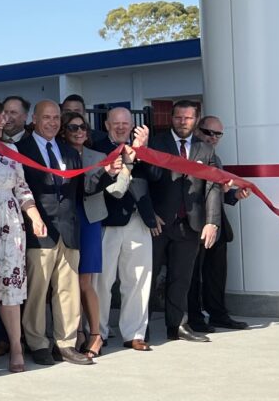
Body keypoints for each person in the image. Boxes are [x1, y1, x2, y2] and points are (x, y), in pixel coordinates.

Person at [16, 100, 93, 365]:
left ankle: (66, 344)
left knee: (68, 290)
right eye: (46, 117)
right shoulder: (21, 150)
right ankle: (37, 343)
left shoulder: (68, 151)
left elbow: (81, 189)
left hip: (68, 230)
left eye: (56, 118)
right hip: (39, 231)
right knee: (37, 292)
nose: (52, 122)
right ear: (34, 119)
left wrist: (109, 173)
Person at [146, 100, 224, 343]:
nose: (182, 122)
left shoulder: (205, 149)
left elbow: (212, 187)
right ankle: (140, 328)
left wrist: (212, 222)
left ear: (196, 120)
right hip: (158, 224)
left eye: (188, 118)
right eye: (178, 117)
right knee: (148, 277)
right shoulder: (157, 143)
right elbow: (144, 179)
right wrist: (149, 213)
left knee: (181, 279)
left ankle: (177, 325)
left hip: (190, 224)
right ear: (171, 118)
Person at [0, 99, 43, 372]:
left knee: (10, 285)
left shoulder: (11, 149)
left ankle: (16, 347)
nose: (3, 121)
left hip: (10, 221)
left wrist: (34, 215)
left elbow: (22, 187)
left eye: (4, 116)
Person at [88, 107, 157, 352]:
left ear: (131, 126)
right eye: (115, 123)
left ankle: (134, 333)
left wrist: (142, 151)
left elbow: (156, 177)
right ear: (106, 125)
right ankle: (99, 332)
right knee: (102, 282)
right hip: (107, 221)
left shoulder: (142, 147)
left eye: (125, 123)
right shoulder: (97, 149)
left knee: (138, 279)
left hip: (139, 220)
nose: (120, 127)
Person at [189, 115, 250, 331]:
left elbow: (216, 192)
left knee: (216, 274)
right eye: (209, 132)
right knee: (193, 275)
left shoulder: (215, 157)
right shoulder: (189, 154)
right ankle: (194, 318)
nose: (213, 137)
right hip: (194, 223)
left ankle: (218, 314)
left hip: (217, 224)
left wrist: (233, 195)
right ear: (198, 131)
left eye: (218, 134)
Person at [61, 110, 107, 357]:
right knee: (68, 281)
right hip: (66, 218)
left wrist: (114, 172)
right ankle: (76, 332)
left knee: (84, 281)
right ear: (64, 131)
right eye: (73, 127)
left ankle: (95, 334)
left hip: (89, 219)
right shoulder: (58, 153)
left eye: (82, 128)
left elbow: (105, 189)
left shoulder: (98, 157)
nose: (79, 132)